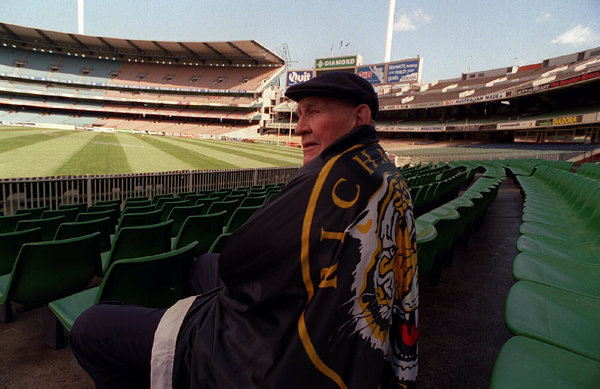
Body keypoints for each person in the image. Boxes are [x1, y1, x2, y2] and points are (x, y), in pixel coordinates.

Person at [70, 71, 418, 388]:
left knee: (90, 327)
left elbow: (239, 257)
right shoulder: (390, 174)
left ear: (360, 117)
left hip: (268, 358)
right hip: (328, 328)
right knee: (206, 264)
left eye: (314, 112)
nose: (299, 128)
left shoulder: (330, 177)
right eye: (300, 115)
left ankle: (180, 359)